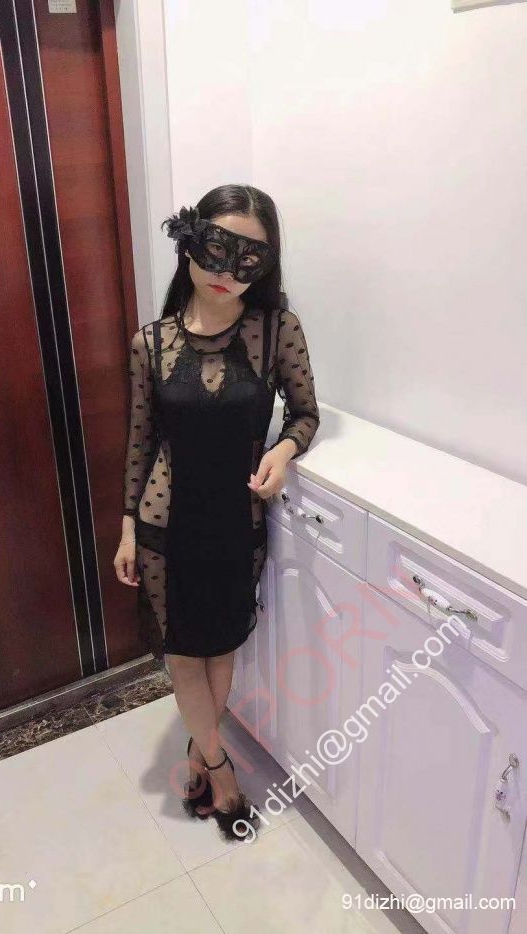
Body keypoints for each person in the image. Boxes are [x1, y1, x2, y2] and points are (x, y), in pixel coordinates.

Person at [114, 184, 320, 842]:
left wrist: (283, 450)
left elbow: (306, 412)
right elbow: (140, 440)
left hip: (237, 519)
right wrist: (126, 528)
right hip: (165, 525)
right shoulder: (151, 343)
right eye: (217, 249)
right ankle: (220, 765)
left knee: (222, 647)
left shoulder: (276, 330)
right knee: (184, 655)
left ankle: (199, 749)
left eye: (248, 259)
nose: (228, 272)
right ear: (189, 243)